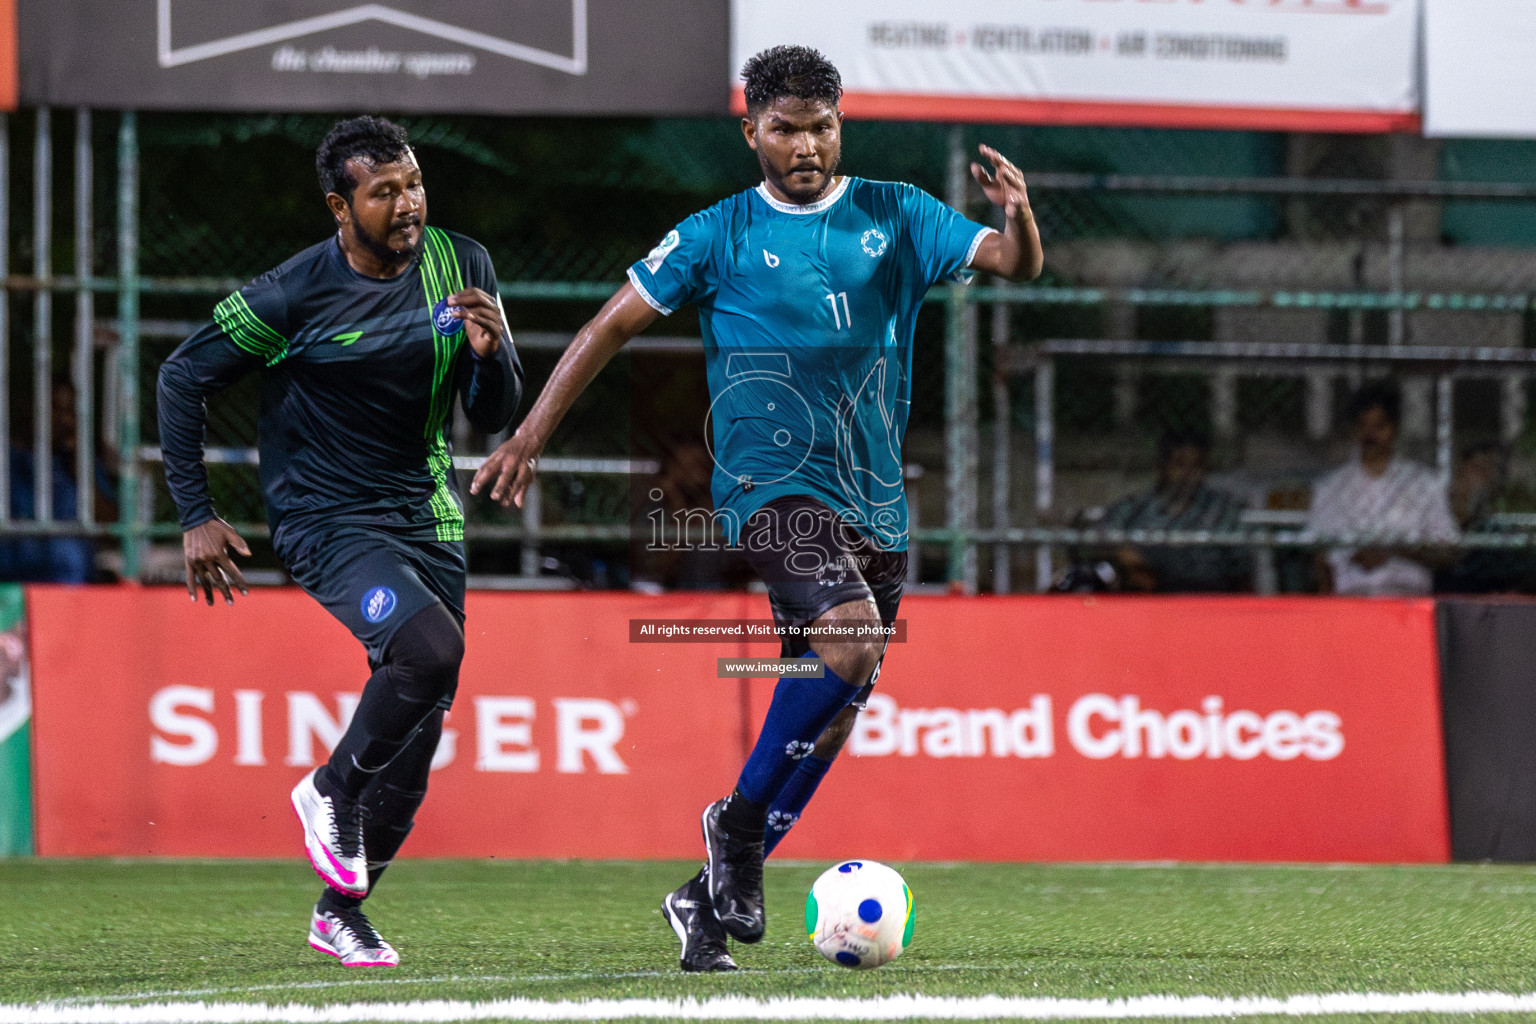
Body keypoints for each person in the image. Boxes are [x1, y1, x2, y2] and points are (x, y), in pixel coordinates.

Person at [471, 45, 1043, 971]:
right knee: (852, 638)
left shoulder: (896, 212)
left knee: (838, 708)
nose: (806, 144)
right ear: (752, 132)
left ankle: (703, 901)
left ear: (840, 125)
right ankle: (733, 828)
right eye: (785, 128)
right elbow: (608, 324)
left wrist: (1018, 215)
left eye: (821, 126)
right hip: (770, 490)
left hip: (878, 502)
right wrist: (530, 434)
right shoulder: (717, 234)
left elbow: (1014, 263)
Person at [156, 116, 522, 967]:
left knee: (421, 734)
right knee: (429, 652)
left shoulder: (459, 262)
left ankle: (340, 912)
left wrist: (491, 354)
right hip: (324, 516)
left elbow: (494, 412)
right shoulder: (291, 295)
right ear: (339, 205)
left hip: (424, 512)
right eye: (384, 191)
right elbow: (181, 375)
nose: (408, 205)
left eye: (415, 184)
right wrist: (194, 513)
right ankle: (331, 788)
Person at [1307, 381, 1458, 596]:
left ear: (1394, 429)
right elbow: (1319, 556)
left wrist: (1394, 551)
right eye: (1363, 426)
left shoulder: (1423, 484)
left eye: (1379, 426)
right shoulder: (1331, 488)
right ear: (1354, 431)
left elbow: (1447, 550)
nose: (1370, 435)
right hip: (1350, 599)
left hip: (1407, 599)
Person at [1073, 429, 1249, 593]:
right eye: (1180, 464)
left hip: (1206, 597)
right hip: (1148, 598)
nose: (1188, 473)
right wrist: (1123, 556)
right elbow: (1091, 542)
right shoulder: (1136, 508)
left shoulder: (1222, 510)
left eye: (1196, 465)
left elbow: (1239, 569)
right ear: (1161, 468)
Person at [0, 379, 116, 584]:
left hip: (75, 589)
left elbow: (112, 530)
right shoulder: (6, 461)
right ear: (31, 408)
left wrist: (81, 473)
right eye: (56, 408)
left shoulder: (79, 462)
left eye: (71, 411)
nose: (66, 420)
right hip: (12, 588)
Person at [1435, 442, 1536, 593]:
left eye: (1492, 470)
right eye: (1478, 469)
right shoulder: (1435, 521)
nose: (1488, 476)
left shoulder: (1505, 533)